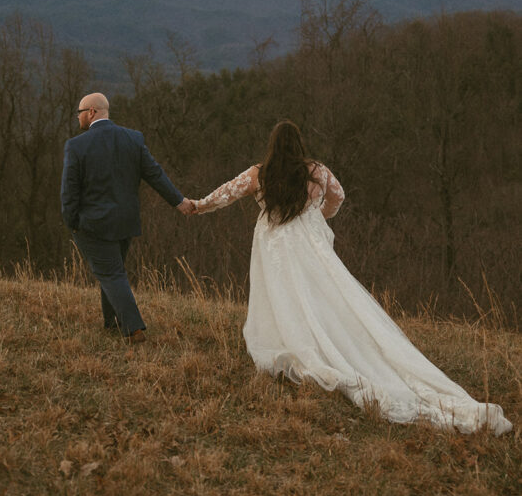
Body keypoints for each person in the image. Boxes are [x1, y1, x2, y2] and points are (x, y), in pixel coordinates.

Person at [188, 120, 512, 434]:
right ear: (299, 145)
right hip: (310, 241)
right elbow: (338, 196)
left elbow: (223, 195)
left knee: (285, 295)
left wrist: (197, 206)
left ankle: (299, 343)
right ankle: (326, 340)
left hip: (277, 245)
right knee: (327, 296)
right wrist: (316, 216)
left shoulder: (260, 173)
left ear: (273, 146)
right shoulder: (316, 171)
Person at [61, 93, 194, 343]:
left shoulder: (76, 146)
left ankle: (134, 328)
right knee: (113, 271)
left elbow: (69, 192)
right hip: (126, 222)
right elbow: (155, 174)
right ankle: (111, 322)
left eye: (79, 111)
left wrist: (72, 223)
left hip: (93, 224)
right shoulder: (133, 139)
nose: (77, 116)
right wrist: (179, 201)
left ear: (91, 112)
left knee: (111, 274)